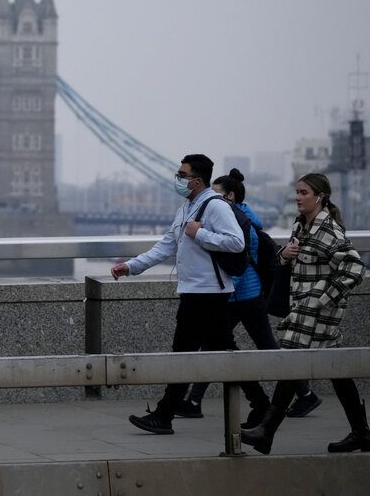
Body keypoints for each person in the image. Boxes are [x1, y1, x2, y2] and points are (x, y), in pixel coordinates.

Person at [111, 154, 244, 435]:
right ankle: (263, 404)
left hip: (207, 294)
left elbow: (236, 242)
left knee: (182, 354)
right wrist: (131, 266)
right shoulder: (186, 208)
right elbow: (166, 246)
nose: (178, 179)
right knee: (224, 351)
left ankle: (164, 415)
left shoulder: (215, 206)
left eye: (182, 175)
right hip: (195, 292)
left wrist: (201, 234)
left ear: (197, 180)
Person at [176, 168, 317, 427]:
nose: (210, 199)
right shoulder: (233, 215)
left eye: (216, 194)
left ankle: (303, 394)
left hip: (244, 296)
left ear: (229, 195)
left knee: (254, 347)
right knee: (215, 344)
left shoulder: (241, 222)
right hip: (241, 296)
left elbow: (238, 265)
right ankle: (194, 402)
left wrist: (223, 291)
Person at [241, 173, 368, 455]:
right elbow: (282, 263)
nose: (298, 197)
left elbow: (355, 268)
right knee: (339, 371)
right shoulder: (302, 226)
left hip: (316, 314)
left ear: (319, 197)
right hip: (302, 309)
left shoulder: (328, 231)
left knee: (292, 363)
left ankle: (266, 431)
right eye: (296, 192)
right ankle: (362, 433)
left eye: (304, 193)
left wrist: (321, 299)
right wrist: (284, 254)